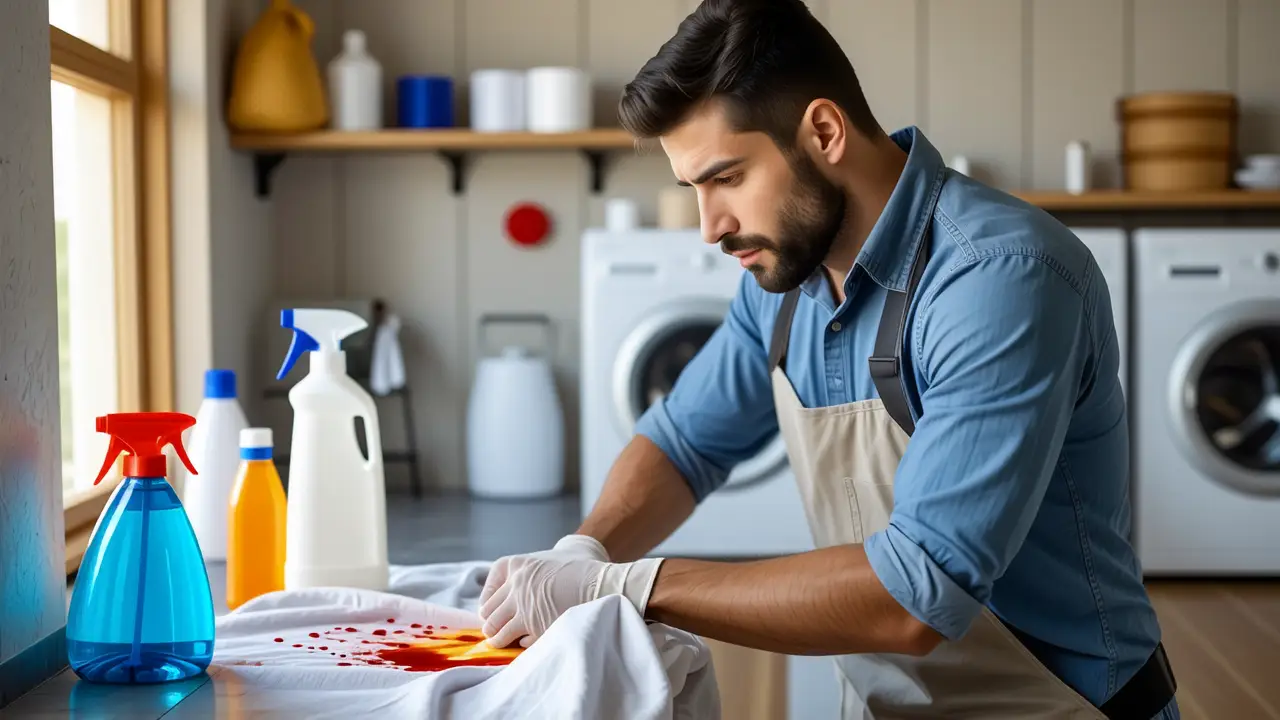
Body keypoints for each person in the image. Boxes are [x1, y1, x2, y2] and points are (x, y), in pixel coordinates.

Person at [478, 1, 1179, 717]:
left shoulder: (1000, 279)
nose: (709, 228)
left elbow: (916, 593)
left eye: (727, 178)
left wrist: (627, 587)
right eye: (693, 190)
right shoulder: (784, 283)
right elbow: (685, 442)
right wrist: (583, 549)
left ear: (823, 131)